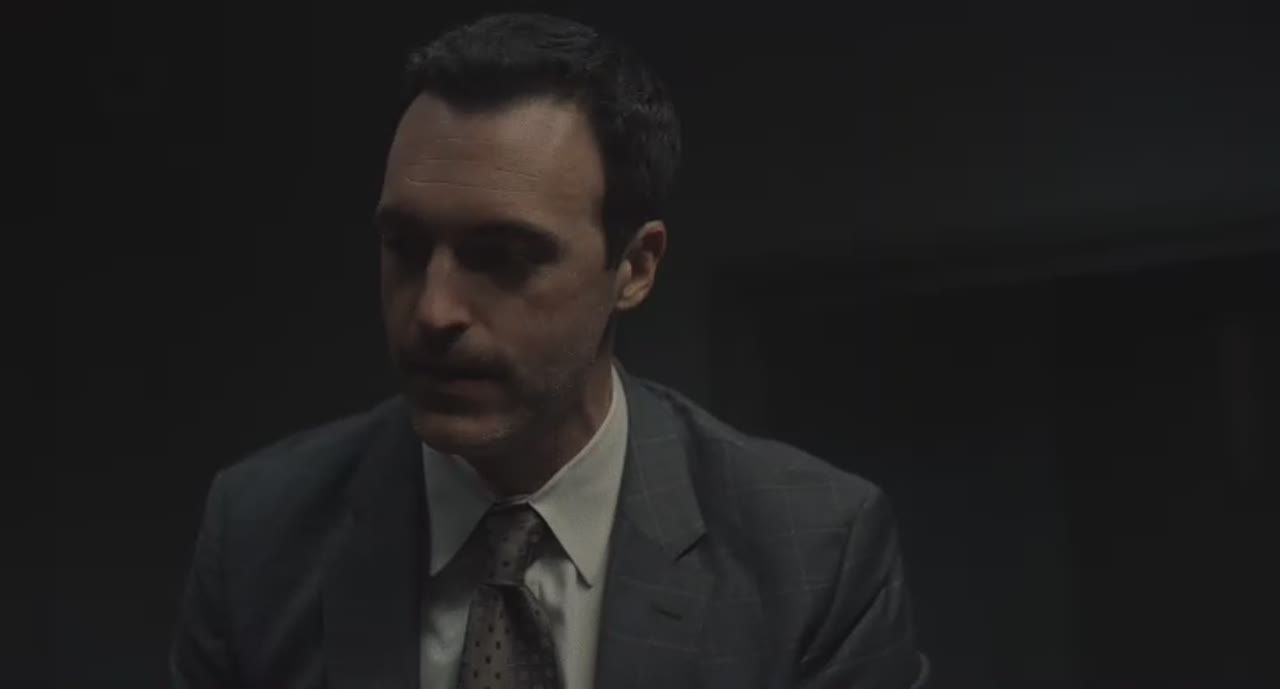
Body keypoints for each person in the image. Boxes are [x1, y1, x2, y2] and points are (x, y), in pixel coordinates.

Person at [170, 12, 928, 689]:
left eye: (502, 257)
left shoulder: (812, 553)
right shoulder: (262, 537)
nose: (433, 311)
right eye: (404, 247)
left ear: (634, 268)